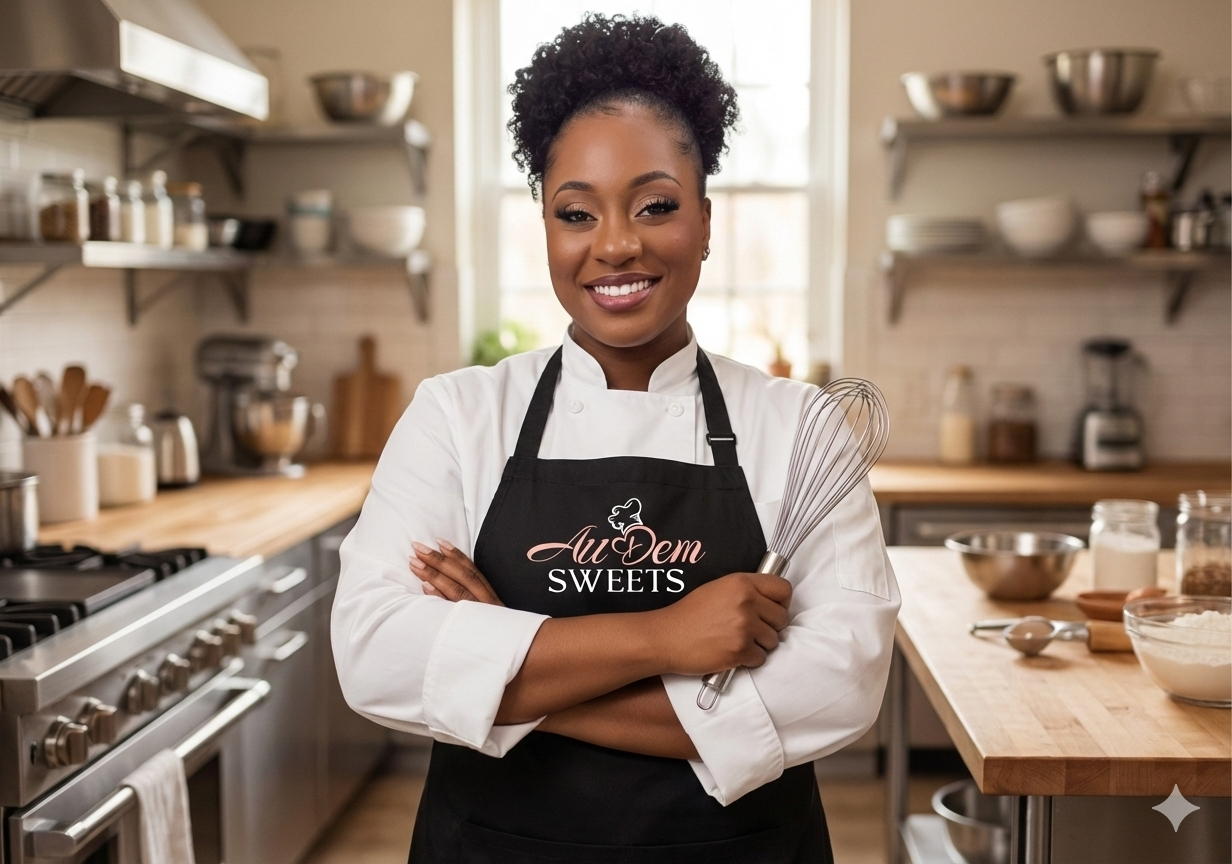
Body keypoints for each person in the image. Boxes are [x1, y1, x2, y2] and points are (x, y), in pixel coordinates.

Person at [332, 14, 899, 863]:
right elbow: (376, 657)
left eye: (656, 206)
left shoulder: (800, 427)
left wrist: (506, 660)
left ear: (706, 223)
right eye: (576, 213)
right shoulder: (458, 414)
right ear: (548, 231)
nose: (615, 245)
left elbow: (838, 688)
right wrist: (667, 637)